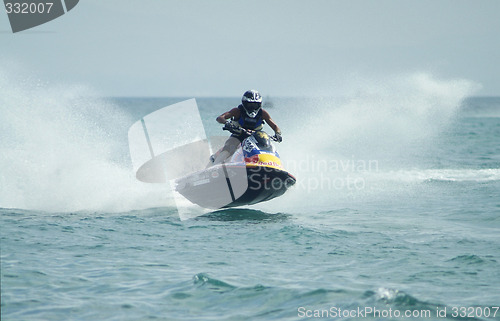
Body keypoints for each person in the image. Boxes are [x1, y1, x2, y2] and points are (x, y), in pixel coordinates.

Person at [211, 89, 282, 165]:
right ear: (244, 103)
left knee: (269, 147)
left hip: (255, 139)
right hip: (238, 136)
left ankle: (273, 165)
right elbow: (220, 118)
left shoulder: (263, 113)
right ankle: (216, 166)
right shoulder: (237, 111)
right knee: (229, 147)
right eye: (250, 105)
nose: (252, 108)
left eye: (255, 105)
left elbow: (275, 127)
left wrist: (278, 134)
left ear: (259, 104)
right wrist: (227, 123)